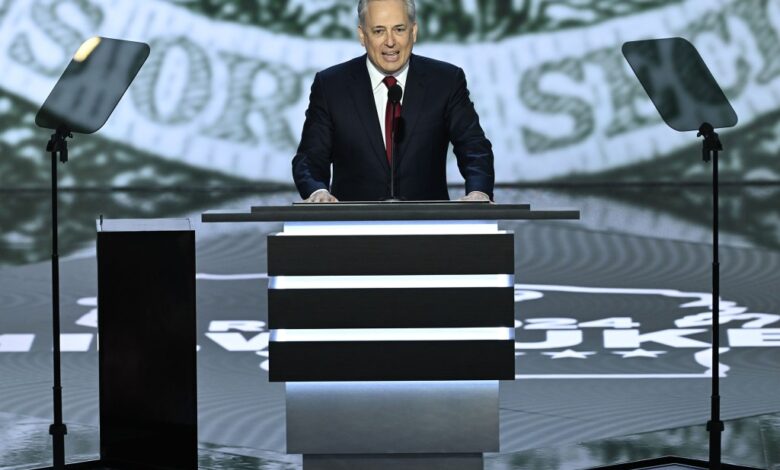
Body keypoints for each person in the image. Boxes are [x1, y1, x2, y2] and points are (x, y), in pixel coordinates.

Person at [292, 0, 494, 202]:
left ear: (413, 32)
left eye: (399, 29)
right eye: (379, 31)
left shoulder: (446, 81)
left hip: (427, 225)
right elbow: (309, 159)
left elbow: (474, 147)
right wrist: (318, 192)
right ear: (362, 35)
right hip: (353, 226)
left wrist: (478, 192)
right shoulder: (331, 86)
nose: (390, 41)